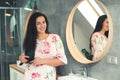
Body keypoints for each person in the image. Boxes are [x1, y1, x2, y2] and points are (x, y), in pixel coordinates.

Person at [19, 12, 67, 80]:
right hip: (30, 76)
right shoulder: (30, 40)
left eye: (43, 22)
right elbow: (27, 57)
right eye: (38, 23)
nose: (42, 26)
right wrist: (21, 58)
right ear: (33, 25)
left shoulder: (54, 38)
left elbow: (63, 60)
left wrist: (42, 61)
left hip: (48, 77)